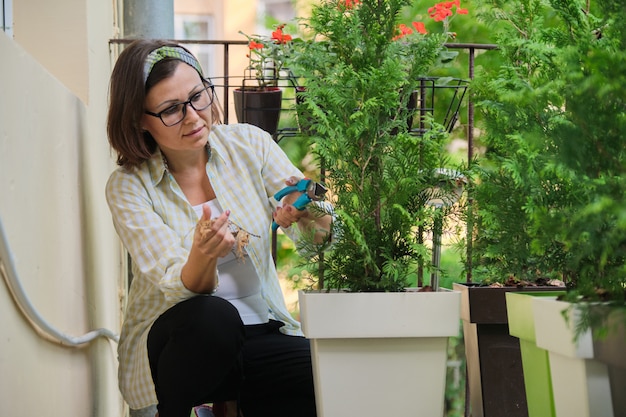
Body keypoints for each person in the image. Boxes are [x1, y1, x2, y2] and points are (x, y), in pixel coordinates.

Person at [105, 39, 332, 417]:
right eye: (171, 110)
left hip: (258, 330)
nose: (194, 117)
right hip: (180, 343)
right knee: (214, 317)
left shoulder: (249, 145)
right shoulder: (129, 185)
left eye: (197, 96)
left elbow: (320, 238)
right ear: (138, 119)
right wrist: (203, 253)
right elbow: (177, 285)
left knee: (323, 374)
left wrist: (307, 213)